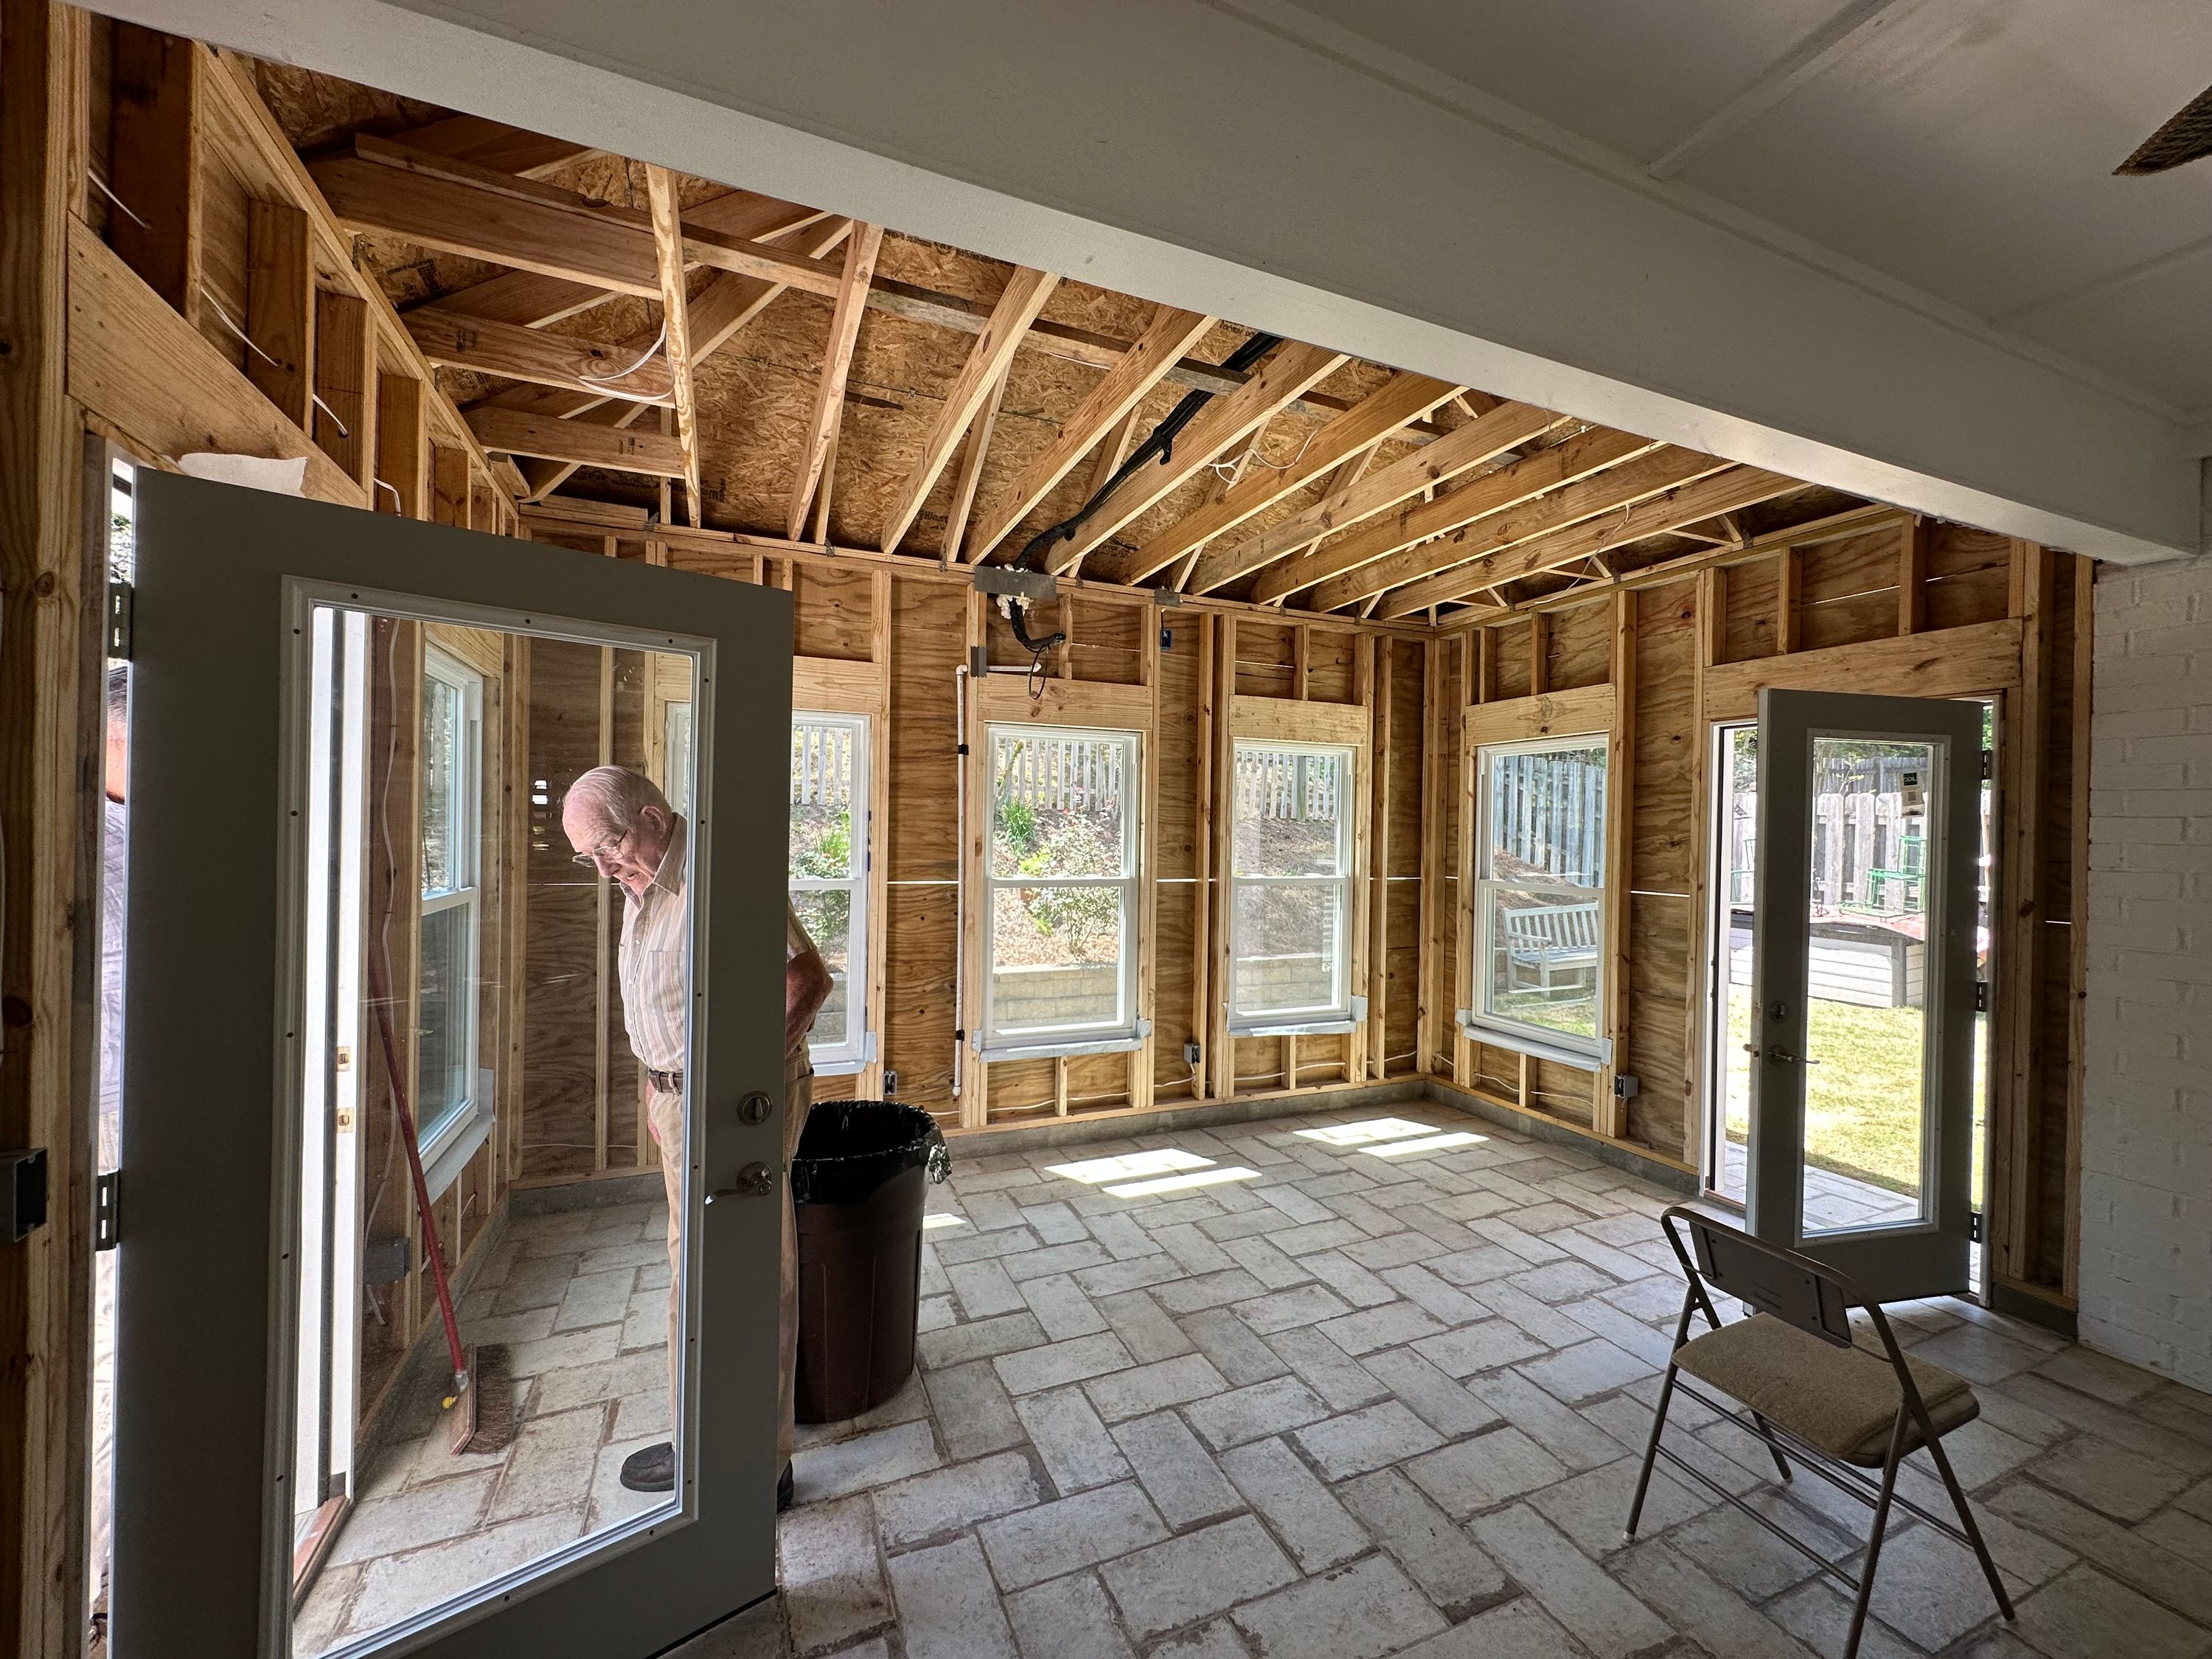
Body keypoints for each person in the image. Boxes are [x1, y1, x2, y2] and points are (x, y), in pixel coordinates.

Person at [561, 765, 831, 1504]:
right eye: (589, 856)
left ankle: (759, 1465)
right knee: (694, 1272)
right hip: (680, 1103)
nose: (603, 865)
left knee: (749, 1273)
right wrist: (660, 1087)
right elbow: (667, 1001)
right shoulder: (640, 885)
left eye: (609, 846)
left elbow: (805, 982)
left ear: (652, 816)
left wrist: (727, 1084)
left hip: (731, 1105)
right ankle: (706, 1437)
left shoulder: (716, 875)